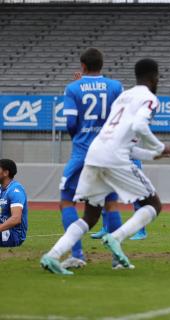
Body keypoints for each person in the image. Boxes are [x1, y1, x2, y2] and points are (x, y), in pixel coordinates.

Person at [41, 58, 170, 275]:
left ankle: (52, 256)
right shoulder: (149, 98)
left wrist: (154, 153)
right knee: (154, 204)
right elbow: (139, 126)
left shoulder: (124, 96)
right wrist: (161, 146)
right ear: (154, 77)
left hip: (95, 154)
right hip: (114, 159)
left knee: (91, 216)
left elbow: (124, 142)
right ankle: (116, 237)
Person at [59, 48, 123, 269]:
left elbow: (70, 123)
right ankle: (117, 258)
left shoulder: (73, 88)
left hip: (83, 152)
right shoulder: (116, 87)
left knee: (67, 201)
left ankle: (77, 254)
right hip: (109, 153)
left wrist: (78, 138)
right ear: (102, 65)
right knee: (111, 203)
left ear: (83, 66)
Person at [0, 159, 28, 248]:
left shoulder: (15, 190)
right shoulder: (1, 189)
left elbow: (16, 219)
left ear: (5, 173)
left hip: (14, 235)